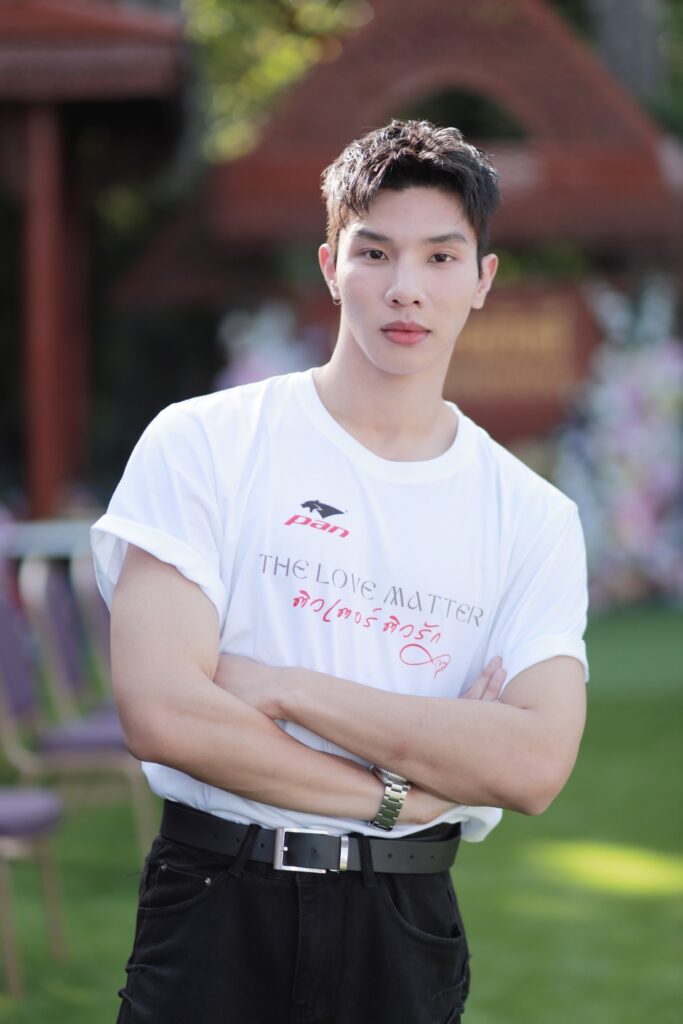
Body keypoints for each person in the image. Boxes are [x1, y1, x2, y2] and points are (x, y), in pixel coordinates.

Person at [91, 119, 588, 1024]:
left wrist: (284, 688)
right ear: (330, 266)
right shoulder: (205, 443)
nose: (405, 288)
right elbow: (163, 711)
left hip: (405, 926)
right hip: (215, 899)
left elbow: (532, 762)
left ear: (482, 280)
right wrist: (403, 794)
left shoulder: (531, 515)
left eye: (441, 257)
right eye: (375, 253)